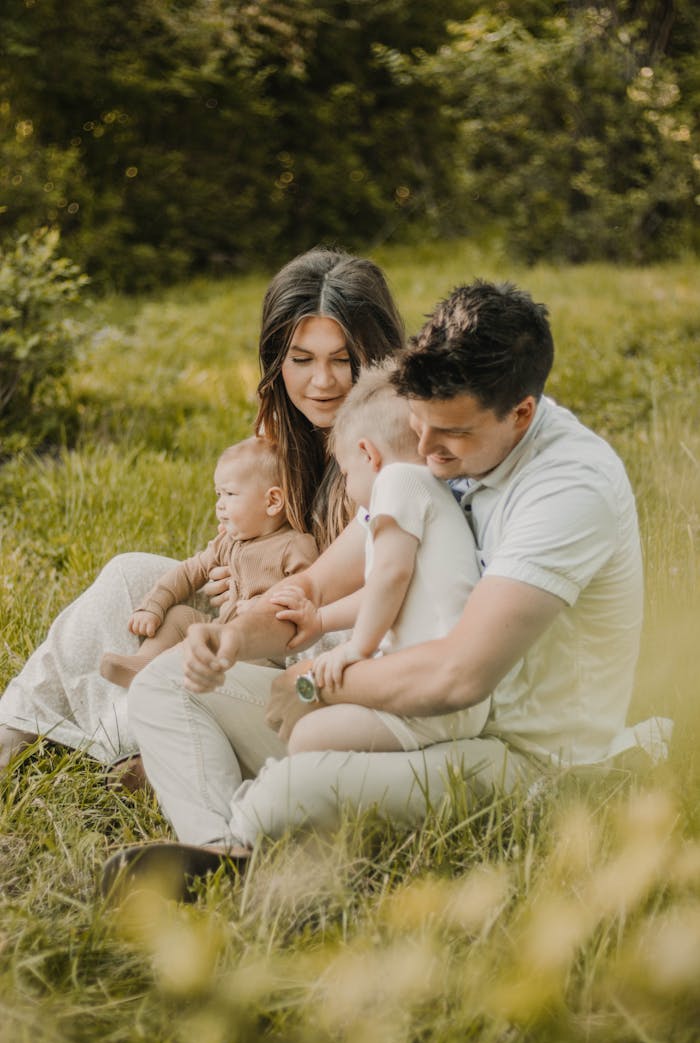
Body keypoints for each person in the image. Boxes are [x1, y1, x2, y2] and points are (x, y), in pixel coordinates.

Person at [104, 278, 670, 897]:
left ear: (522, 415)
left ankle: (236, 835)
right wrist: (231, 636)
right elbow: (315, 588)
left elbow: (457, 677)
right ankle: (221, 852)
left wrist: (309, 686)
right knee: (166, 684)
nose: (424, 452)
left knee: (299, 787)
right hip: (399, 716)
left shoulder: (567, 491)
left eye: (448, 435)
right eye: (419, 427)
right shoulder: (446, 436)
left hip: (513, 755)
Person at [0, 247, 405, 773]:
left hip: (336, 638)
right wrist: (236, 569)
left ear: (374, 354)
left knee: (317, 648)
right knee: (130, 575)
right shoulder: (283, 432)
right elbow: (243, 535)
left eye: (342, 359)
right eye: (301, 360)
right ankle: (16, 727)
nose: (321, 382)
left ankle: (149, 741)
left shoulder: (398, 437)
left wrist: (271, 603)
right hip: (260, 615)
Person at [284, 363, 490, 755]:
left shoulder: (397, 481)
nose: (346, 487)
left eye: (345, 472)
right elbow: (386, 589)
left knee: (308, 736)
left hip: (429, 692)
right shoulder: (427, 489)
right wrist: (322, 620)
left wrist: (356, 650)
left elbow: (390, 576)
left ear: (368, 454)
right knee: (311, 721)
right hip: (444, 696)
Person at [99, 437, 319, 690]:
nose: (219, 505)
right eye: (218, 494)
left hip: (264, 650)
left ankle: (158, 676)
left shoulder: (294, 546)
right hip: (223, 631)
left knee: (209, 649)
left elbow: (309, 593)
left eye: (230, 494)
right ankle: (144, 663)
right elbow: (189, 571)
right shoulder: (230, 541)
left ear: (272, 502)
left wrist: (265, 606)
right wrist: (153, 606)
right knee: (180, 617)